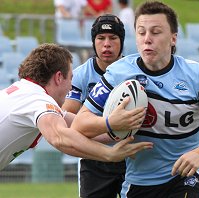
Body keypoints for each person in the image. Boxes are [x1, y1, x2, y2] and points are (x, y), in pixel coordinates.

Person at [71, 1, 199, 198]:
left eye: (155, 32)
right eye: (141, 32)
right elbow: (79, 124)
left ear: (173, 38)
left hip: (185, 176)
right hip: (139, 181)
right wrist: (110, 122)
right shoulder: (118, 73)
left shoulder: (195, 75)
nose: (147, 39)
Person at [0, 43, 153, 171]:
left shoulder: (25, 92)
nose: (70, 88)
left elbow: (77, 127)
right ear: (59, 77)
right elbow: (60, 137)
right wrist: (109, 154)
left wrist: (119, 127)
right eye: (71, 78)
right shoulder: (37, 100)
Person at [62, 14, 126, 198]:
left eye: (113, 38)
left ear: (121, 41)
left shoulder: (135, 71)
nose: (106, 44)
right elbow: (66, 116)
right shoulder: (80, 75)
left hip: (131, 156)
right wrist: (106, 133)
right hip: (93, 159)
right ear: (93, 42)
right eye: (101, 38)